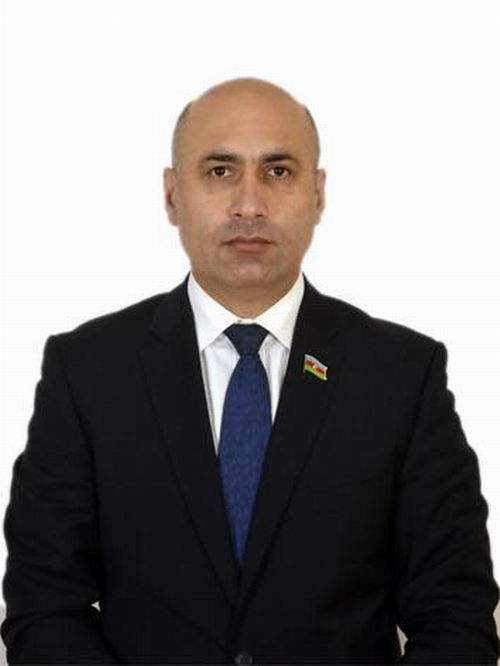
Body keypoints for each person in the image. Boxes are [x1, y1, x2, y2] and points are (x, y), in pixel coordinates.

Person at [1, 76, 498, 665]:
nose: (250, 204)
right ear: (172, 195)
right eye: (220, 170)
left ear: (318, 195)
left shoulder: (401, 377)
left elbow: (456, 612)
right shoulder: (88, 372)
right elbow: (44, 605)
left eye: (278, 171)